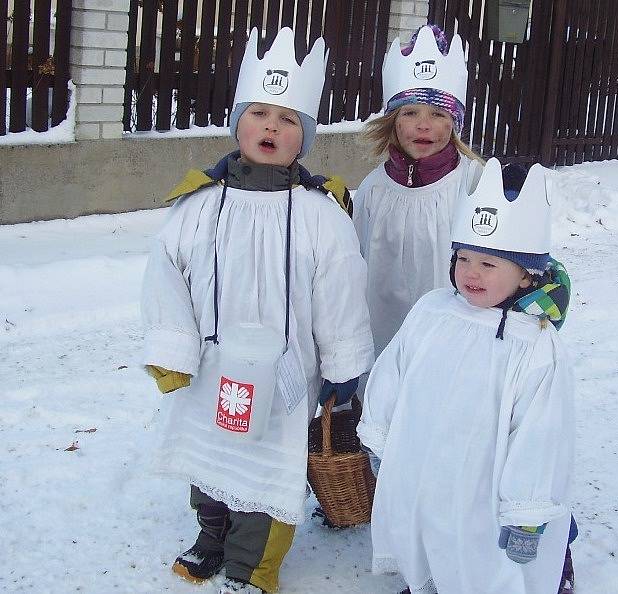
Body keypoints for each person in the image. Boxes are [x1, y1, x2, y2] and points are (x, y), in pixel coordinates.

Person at [141, 27, 374, 594]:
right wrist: (173, 350)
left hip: (285, 372)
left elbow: (340, 287)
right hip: (213, 362)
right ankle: (212, 535)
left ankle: (252, 564)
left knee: (267, 464)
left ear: (305, 138)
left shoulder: (322, 215)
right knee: (210, 452)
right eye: (260, 113)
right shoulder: (198, 204)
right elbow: (165, 270)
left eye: (288, 119)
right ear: (238, 122)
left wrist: (344, 368)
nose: (271, 127)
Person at [357, 158, 575, 594]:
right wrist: (380, 438)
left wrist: (526, 514)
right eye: (464, 259)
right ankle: (429, 582)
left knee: (477, 552)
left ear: (526, 274)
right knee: (428, 531)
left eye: (490, 264)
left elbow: (541, 433)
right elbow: (393, 372)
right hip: (424, 465)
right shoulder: (432, 311)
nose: (471, 273)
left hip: (484, 482)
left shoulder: (533, 344)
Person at [353, 24, 482, 357]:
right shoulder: (374, 190)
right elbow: (353, 264)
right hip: (381, 334)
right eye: (410, 113)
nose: (424, 125)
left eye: (438, 114)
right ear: (393, 121)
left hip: (451, 340)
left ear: (454, 122)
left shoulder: (472, 183)